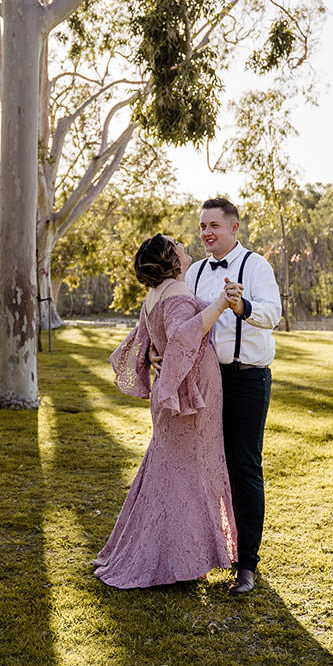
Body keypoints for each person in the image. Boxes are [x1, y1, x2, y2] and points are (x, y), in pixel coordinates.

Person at [93, 233, 238, 589]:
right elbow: (180, 336)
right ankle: (174, 562)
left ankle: (177, 557)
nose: (183, 244)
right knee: (185, 475)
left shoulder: (156, 295)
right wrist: (218, 304)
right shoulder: (174, 293)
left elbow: (146, 343)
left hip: (176, 391)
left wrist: (157, 355)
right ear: (169, 256)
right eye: (176, 243)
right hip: (188, 395)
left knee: (172, 471)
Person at [185, 198, 283, 596]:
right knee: (203, 467)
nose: (207, 232)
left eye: (215, 226)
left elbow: (272, 314)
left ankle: (247, 565)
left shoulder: (256, 266)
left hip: (246, 381)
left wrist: (242, 305)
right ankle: (201, 554)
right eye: (203, 226)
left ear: (235, 228)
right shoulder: (192, 272)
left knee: (243, 469)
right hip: (205, 382)